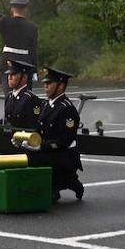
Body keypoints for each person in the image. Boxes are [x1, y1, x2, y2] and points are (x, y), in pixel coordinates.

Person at [22, 67, 83, 202]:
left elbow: (65, 140)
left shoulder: (67, 109)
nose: (45, 87)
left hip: (60, 153)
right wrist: (28, 140)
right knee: (23, 153)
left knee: (45, 164)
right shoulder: (45, 104)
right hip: (47, 150)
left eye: (49, 84)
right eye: (45, 84)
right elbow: (39, 129)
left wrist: (42, 146)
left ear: (61, 86)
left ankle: (67, 184)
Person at [2, 59, 42, 129]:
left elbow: (33, 126)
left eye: (13, 74)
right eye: (9, 74)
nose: (9, 78)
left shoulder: (30, 99)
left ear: (24, 77)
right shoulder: (9, 96)